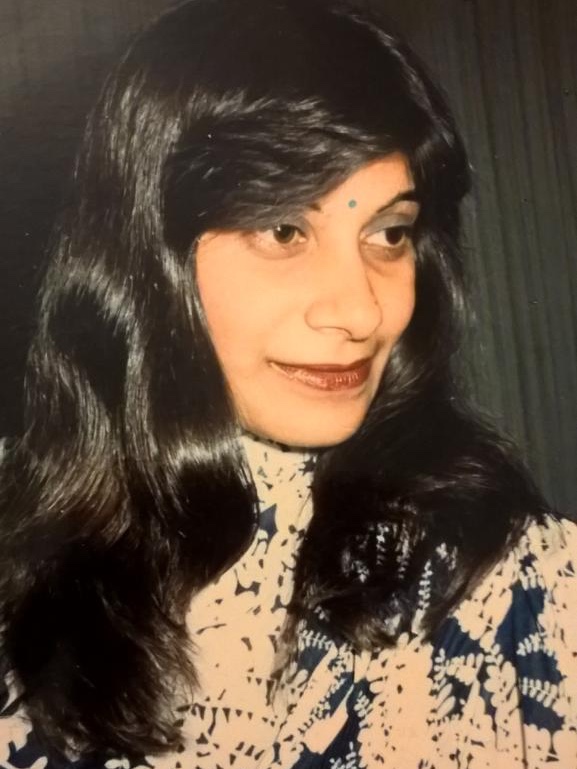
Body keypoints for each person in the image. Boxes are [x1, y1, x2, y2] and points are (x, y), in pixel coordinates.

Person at [0, 0, 575, 766]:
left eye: (389, 234)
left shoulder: (518, 585)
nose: (361, 310)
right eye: (284, 231)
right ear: (144, 257)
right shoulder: (19, 560)